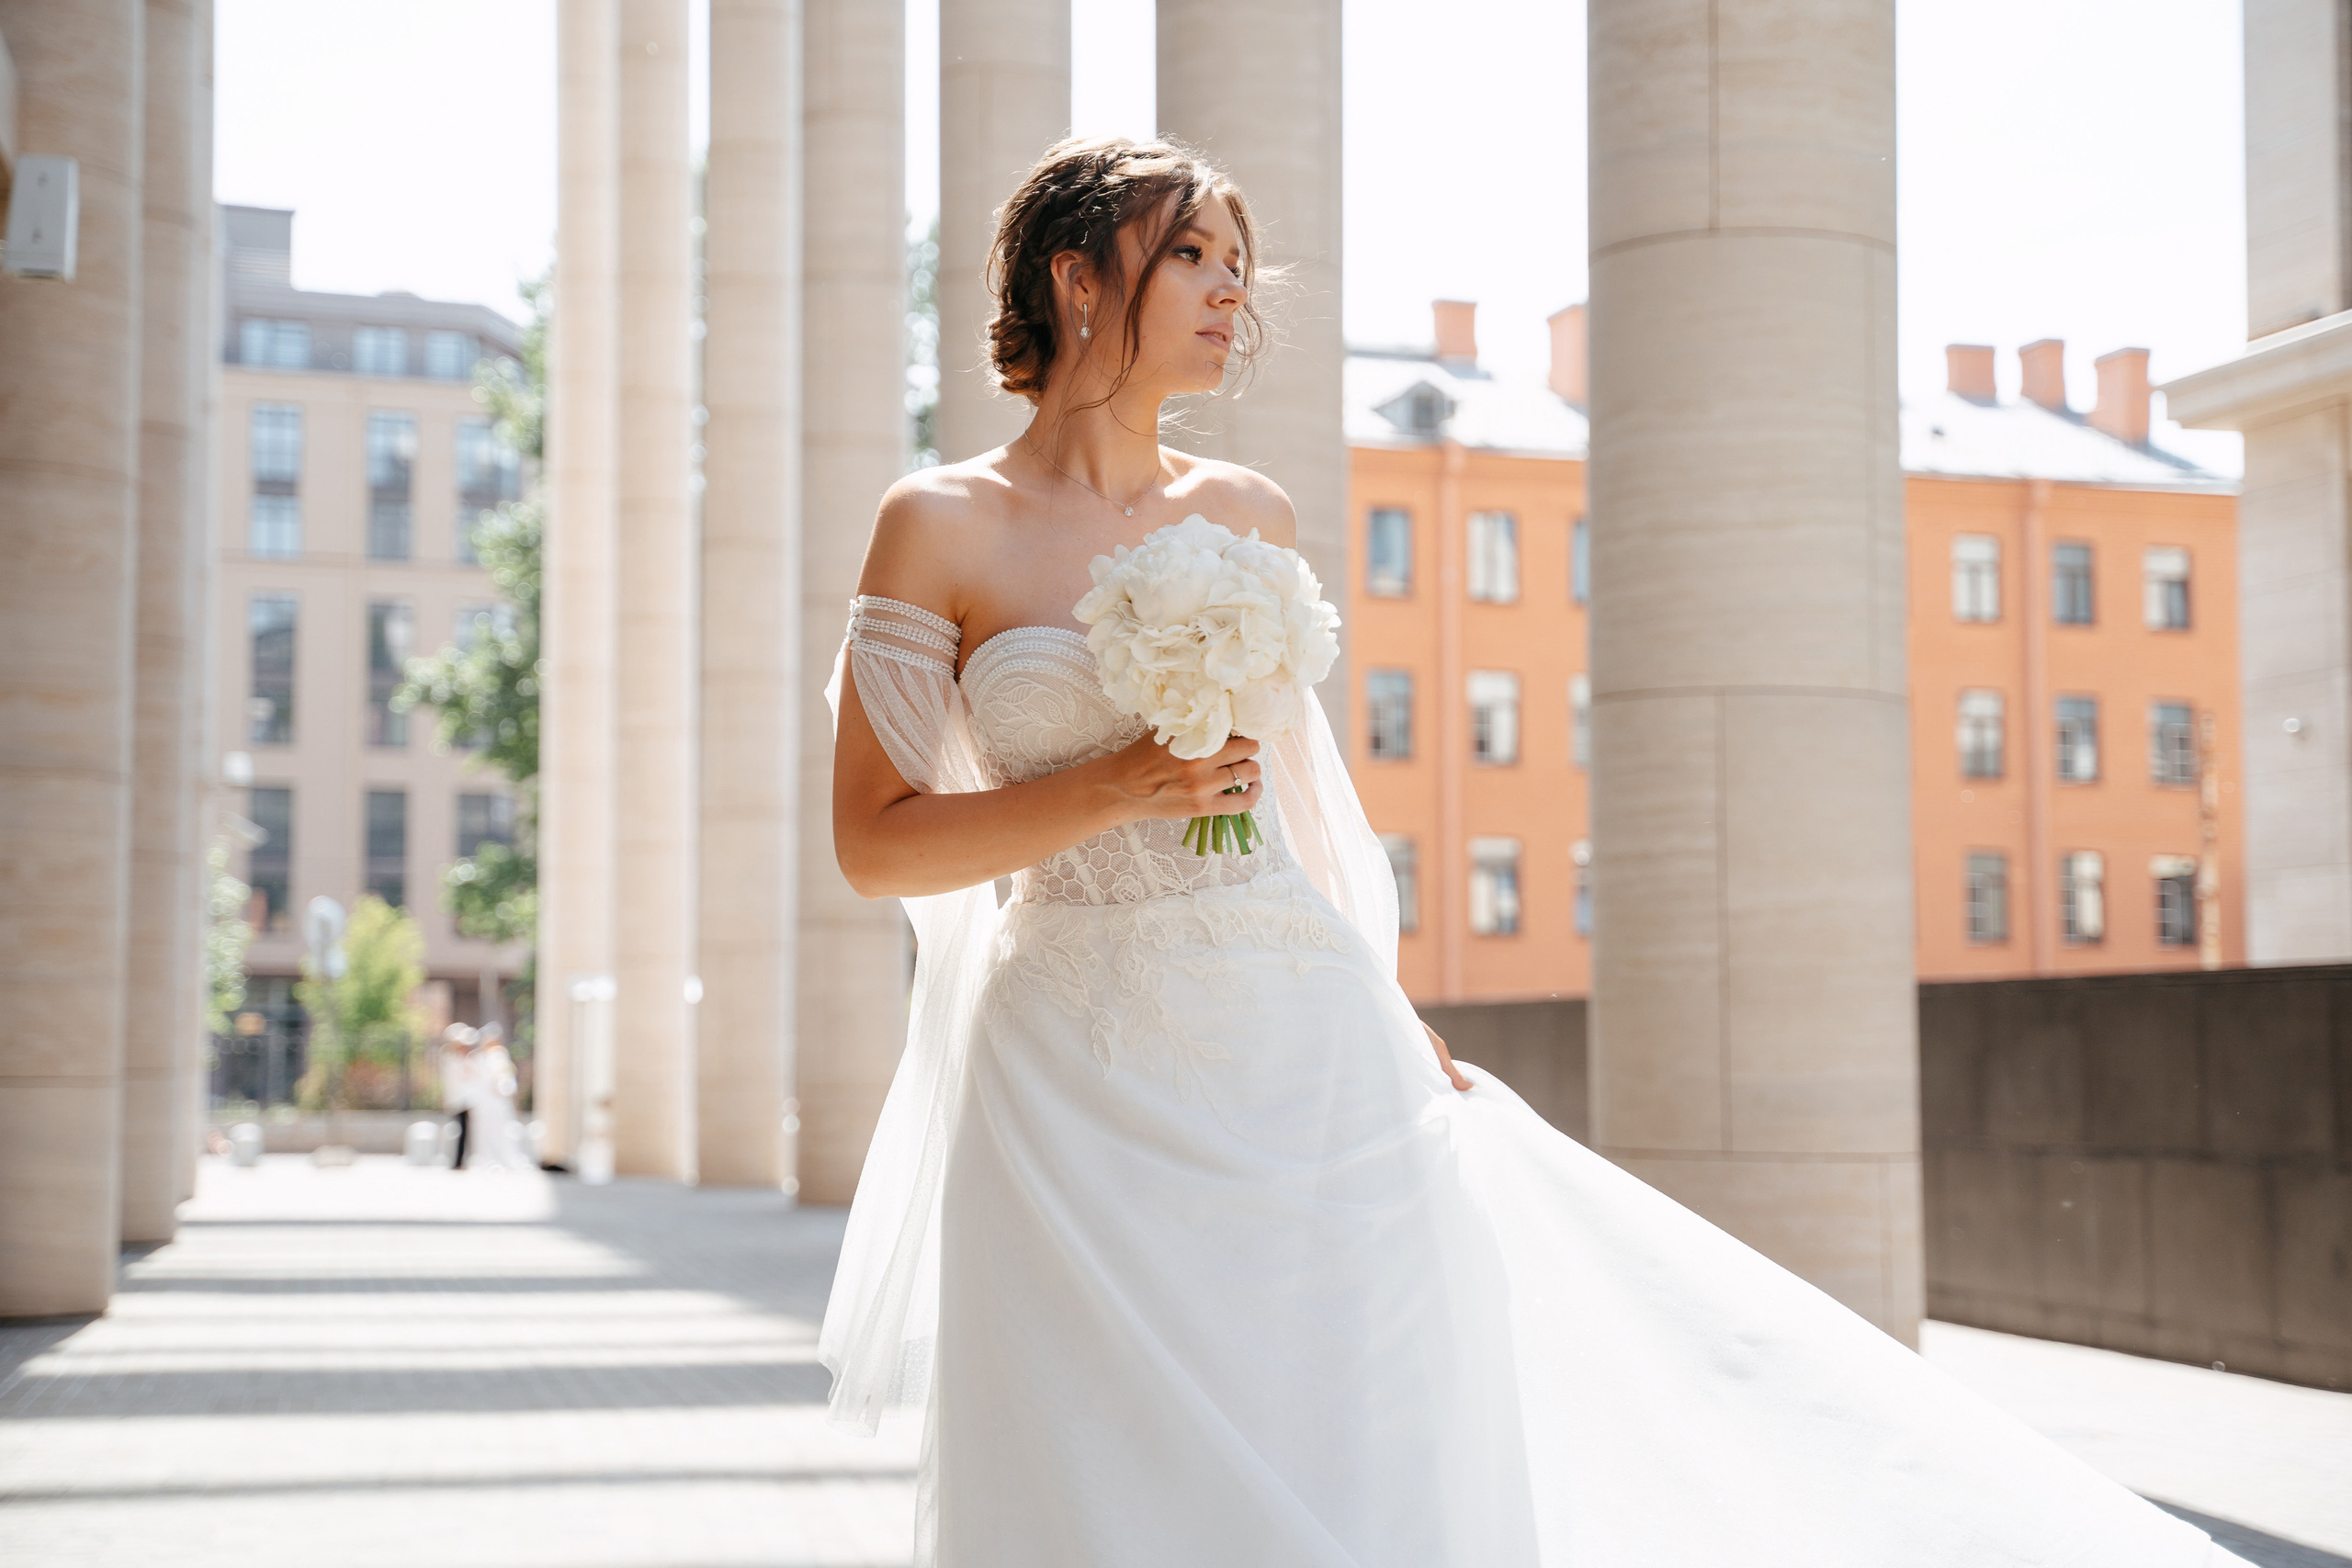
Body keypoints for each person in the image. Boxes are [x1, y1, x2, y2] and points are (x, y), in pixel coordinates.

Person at [822, 135, 2250, 1567]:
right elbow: (876, 845)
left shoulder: (1245, 513)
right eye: (1188, 253)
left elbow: (1296, 808)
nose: (1230, 289)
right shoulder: (937, 523)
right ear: (1078, 277)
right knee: (1087, 1447)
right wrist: (1112, 787)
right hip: (1065, 1064)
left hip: (1293, 1033)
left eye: (1236, 262)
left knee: (1348, 1415)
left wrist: (1381, 1000)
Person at [469, 1022, 524, 1171]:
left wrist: (502, 1089)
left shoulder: (499, 1055)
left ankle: (504, 1159)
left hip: (497, 1100)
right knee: (485, 1130)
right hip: (485, 1101)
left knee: (502, 1129)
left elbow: (505, 1078)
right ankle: (488, 1159)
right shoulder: (481, 1057)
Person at [437, 1023, 477, 1169]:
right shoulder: (451, 1059)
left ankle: (461, 1159)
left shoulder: (461, 1059)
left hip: (464, 1099)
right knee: (458, 1130)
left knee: (464, 1131)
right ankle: (456, 1160)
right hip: (458, 1100)